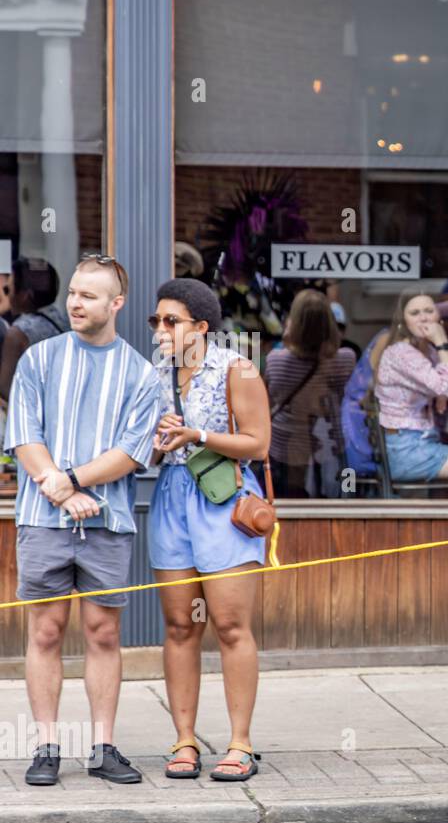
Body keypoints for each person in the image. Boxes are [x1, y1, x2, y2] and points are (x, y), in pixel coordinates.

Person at [5, 255, 163, 786]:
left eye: (89, 296)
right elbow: (25, 436)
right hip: (43, 520)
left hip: (108, 521)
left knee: (102, 633)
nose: (75, 302)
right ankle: (47, 746)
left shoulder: (140, 373)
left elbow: (132, 453)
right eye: (73, 292)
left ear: (116, 304)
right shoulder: (39, 359)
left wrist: (67, 480)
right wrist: (60, 490)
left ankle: (102, 747)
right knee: (46, 631)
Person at [148, 278, 272, 781]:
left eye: (170, 321)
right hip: (171, 498)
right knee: (180, 625)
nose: (160, 329)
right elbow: (150, 447)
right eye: (155, 321)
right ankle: (184, 741)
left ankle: (240, 743)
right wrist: (157, 443)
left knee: (230, 625)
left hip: (223, 499)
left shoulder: (236, 368)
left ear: (201, 327)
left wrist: (197, 433)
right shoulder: (155, 374)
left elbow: (259, 443)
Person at [371, 287, 448, 483]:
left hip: (420, 442)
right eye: (415, 313)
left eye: (429, 311)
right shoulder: (401, 353)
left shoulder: (425, 350)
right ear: (403, 321)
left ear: (438, 315)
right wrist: (441, 340)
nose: (424, 318)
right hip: (406, 449)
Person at [264, 289, 356, 498]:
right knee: (340, 497)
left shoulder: (275, 360)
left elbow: (267, 401)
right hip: (331, 444)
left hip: (285, 446)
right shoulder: (346, 359)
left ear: (293, 322)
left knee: (289, 503)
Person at [1, 256, 67, 404]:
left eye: (7, 289)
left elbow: (6, 390)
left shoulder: (18, 333)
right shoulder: (62, 319)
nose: (6, 295)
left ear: (24, 296)